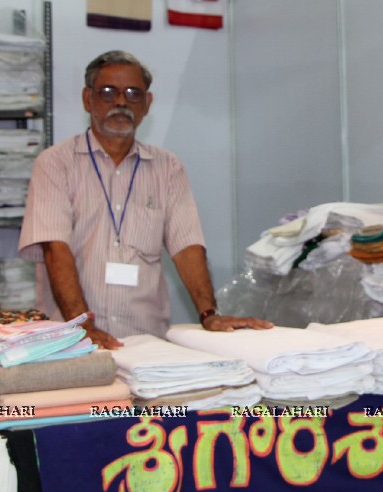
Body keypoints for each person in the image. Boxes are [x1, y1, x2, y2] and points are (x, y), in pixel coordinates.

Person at [18, 50, 271, 349]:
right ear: (88, 99)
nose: (121, 102)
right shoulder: (55, 163)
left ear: (147, 104)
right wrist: (82, 325)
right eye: (109, 92)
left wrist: (209, 314)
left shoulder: (168, 168)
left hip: (147, 342)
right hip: (71, 342)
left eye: (133, 94)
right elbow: (54, 249)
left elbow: (187, 246)